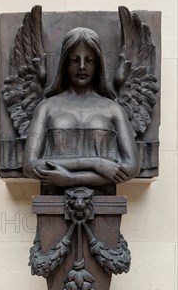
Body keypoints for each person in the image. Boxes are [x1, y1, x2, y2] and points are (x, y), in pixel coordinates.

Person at [23, 27, 141, 190]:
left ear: (98, 64)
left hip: (107, 201)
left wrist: (72, 179)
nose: (82, 66)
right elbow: (30, 165)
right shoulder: (46, 107)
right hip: (50, 200)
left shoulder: (113, 109)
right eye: (74, 60)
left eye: (89, 60)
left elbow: (131, 167)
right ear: (65, 64)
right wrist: (96, 163)